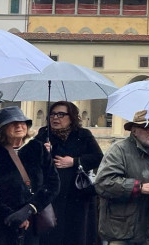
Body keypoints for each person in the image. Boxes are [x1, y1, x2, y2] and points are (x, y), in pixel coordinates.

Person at [0, 106, 60, 245]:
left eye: (22, 122)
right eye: (12, 123)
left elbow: (53, 183)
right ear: (2, 128)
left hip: (31, 222)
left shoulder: (37, 148)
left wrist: (29, 209)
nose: (18, 125)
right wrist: (8, 215)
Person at [95, 110, 149, 245]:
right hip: (121, 231)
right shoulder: (118, 150)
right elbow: (103, 183)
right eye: (148, 127)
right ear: (134, 130)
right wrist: (139, 187)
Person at [37, 101, 103, 245]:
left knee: (77, 235)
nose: (55, 118)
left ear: (72, 117)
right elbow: (31, 163)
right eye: (53, 114)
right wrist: (42, 151)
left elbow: (98, 158)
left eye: (61, 114)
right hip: (53, 197)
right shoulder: (43, 134)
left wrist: (75, 161)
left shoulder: (83, 135)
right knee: (52, 236)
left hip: (78, 195)